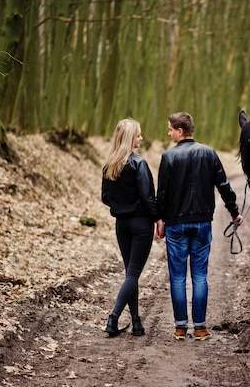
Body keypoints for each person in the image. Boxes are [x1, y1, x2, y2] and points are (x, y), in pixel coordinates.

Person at [156, 112, 243, 341]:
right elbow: (224, 185)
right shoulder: (209, 154)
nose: (168, 133)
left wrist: (160, 219)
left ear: (180, 131)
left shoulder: (168, 157)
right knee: (200, 276)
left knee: (177, 277)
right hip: (203, 223)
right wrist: (234, 212)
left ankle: (180, 328)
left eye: (170, 129)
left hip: (176, 225)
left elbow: (162, 195)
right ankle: (201, 328)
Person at [101, 118, 163, 337]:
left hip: (122, 225)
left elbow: (105, 198)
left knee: (131, 274)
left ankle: (136, 322)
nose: (141, 138)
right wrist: (158, 218)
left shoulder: (109, 165)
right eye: (138, 135)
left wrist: (121, 205)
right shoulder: (139, 163)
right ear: (129, 138)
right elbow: (148, 197)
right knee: (133, 273)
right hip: (140, 225)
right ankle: (114, 317)